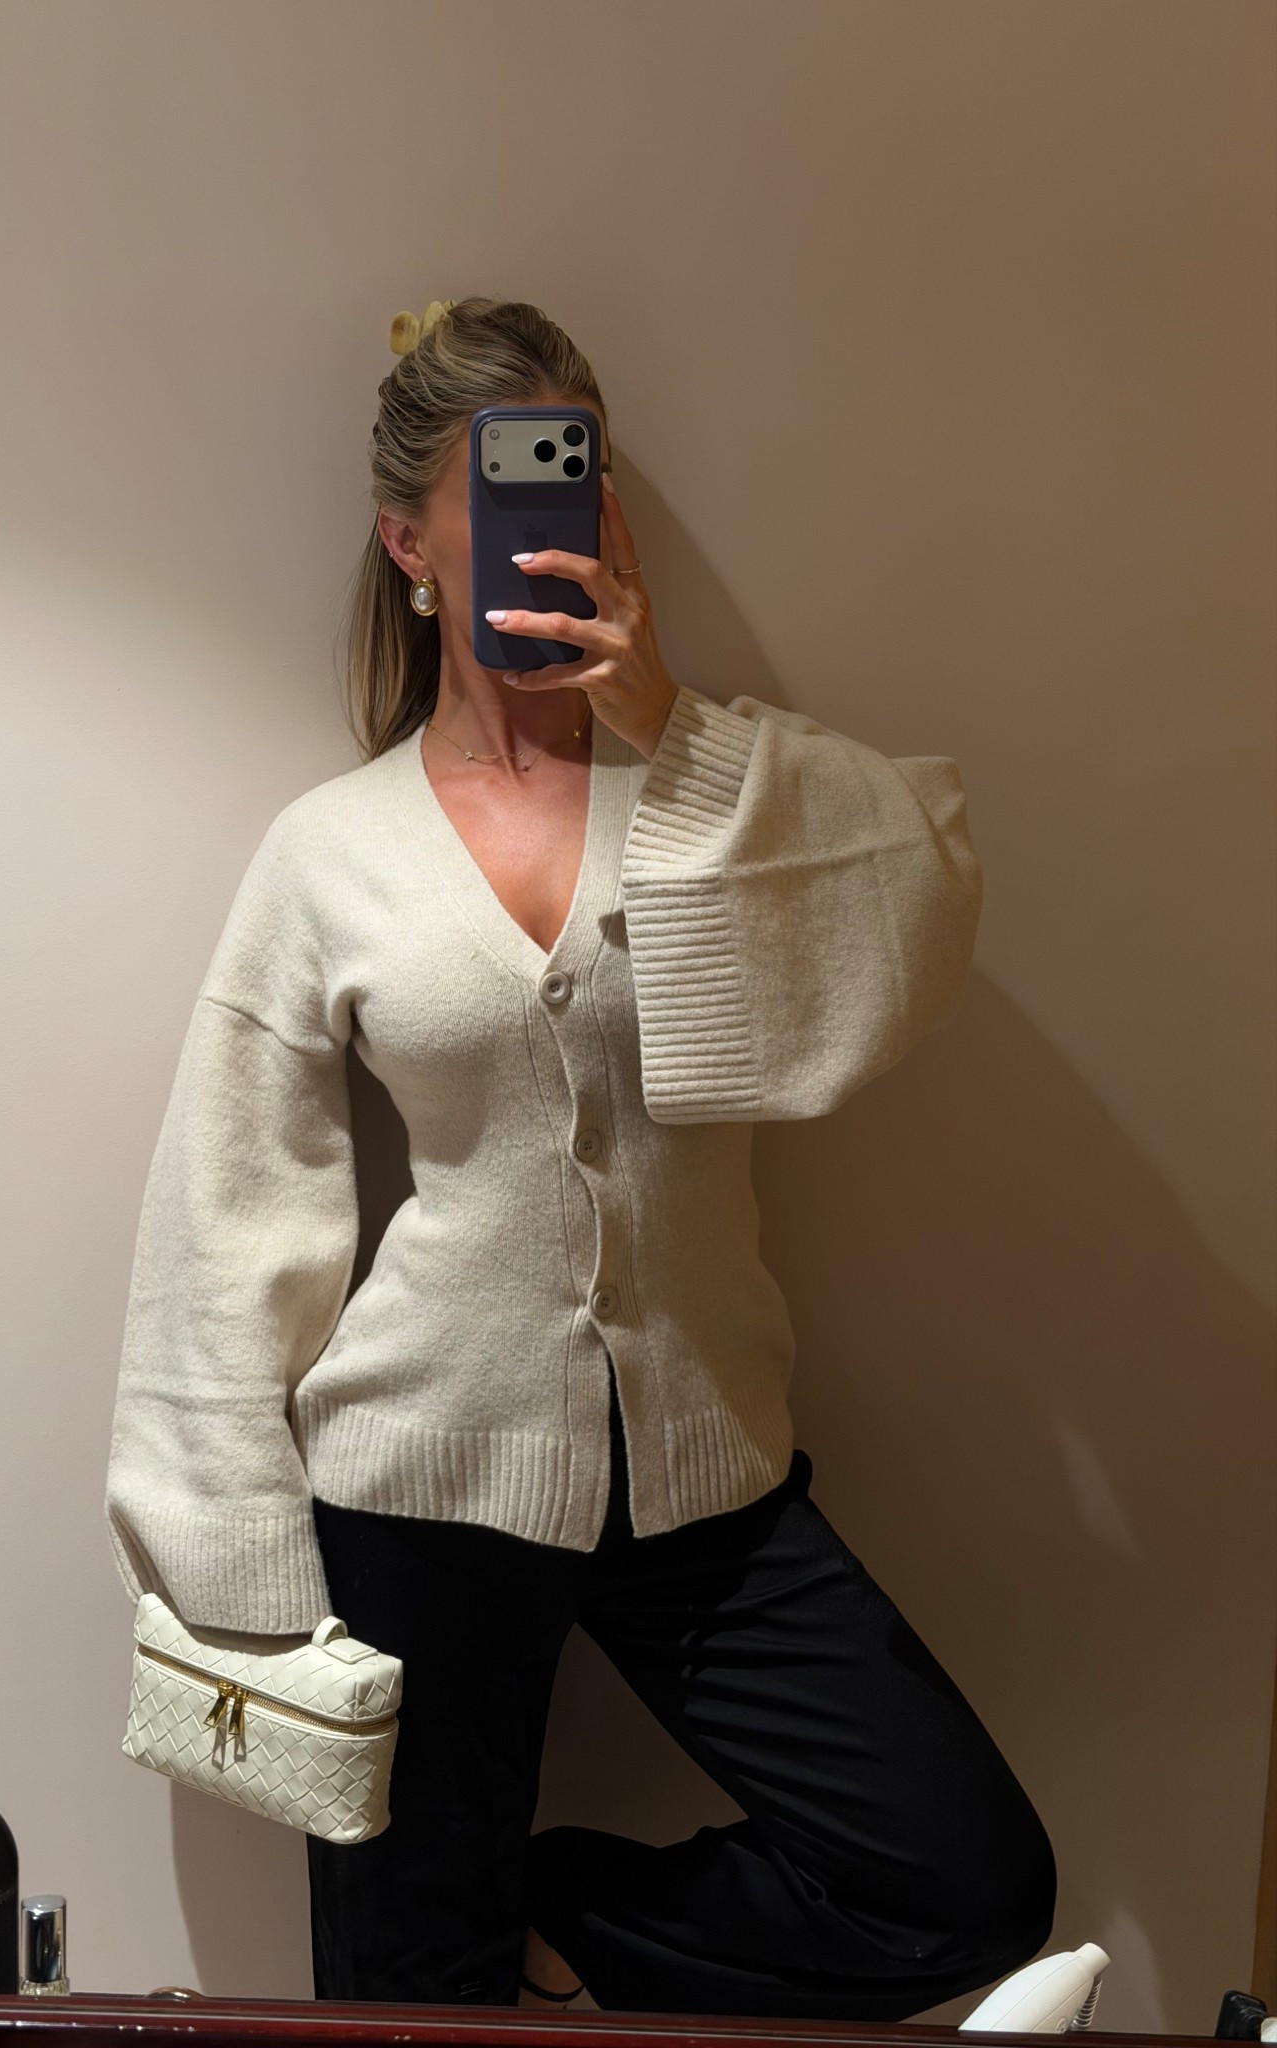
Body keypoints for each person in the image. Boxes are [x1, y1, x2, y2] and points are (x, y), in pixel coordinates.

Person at [104, 295, 1056, 2019]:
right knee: (410, 2002)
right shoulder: (331, 850)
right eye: (516, 484)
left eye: (586, 475)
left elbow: (918, 883)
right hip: (418, 1482)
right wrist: (236, 1568)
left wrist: (668, 716)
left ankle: (555, 1923)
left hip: (703, 1470)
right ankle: (457, 1926)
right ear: (410, 542)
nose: (569, 518)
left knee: (960, 1875)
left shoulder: (706, 785)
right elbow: (228, 1211)